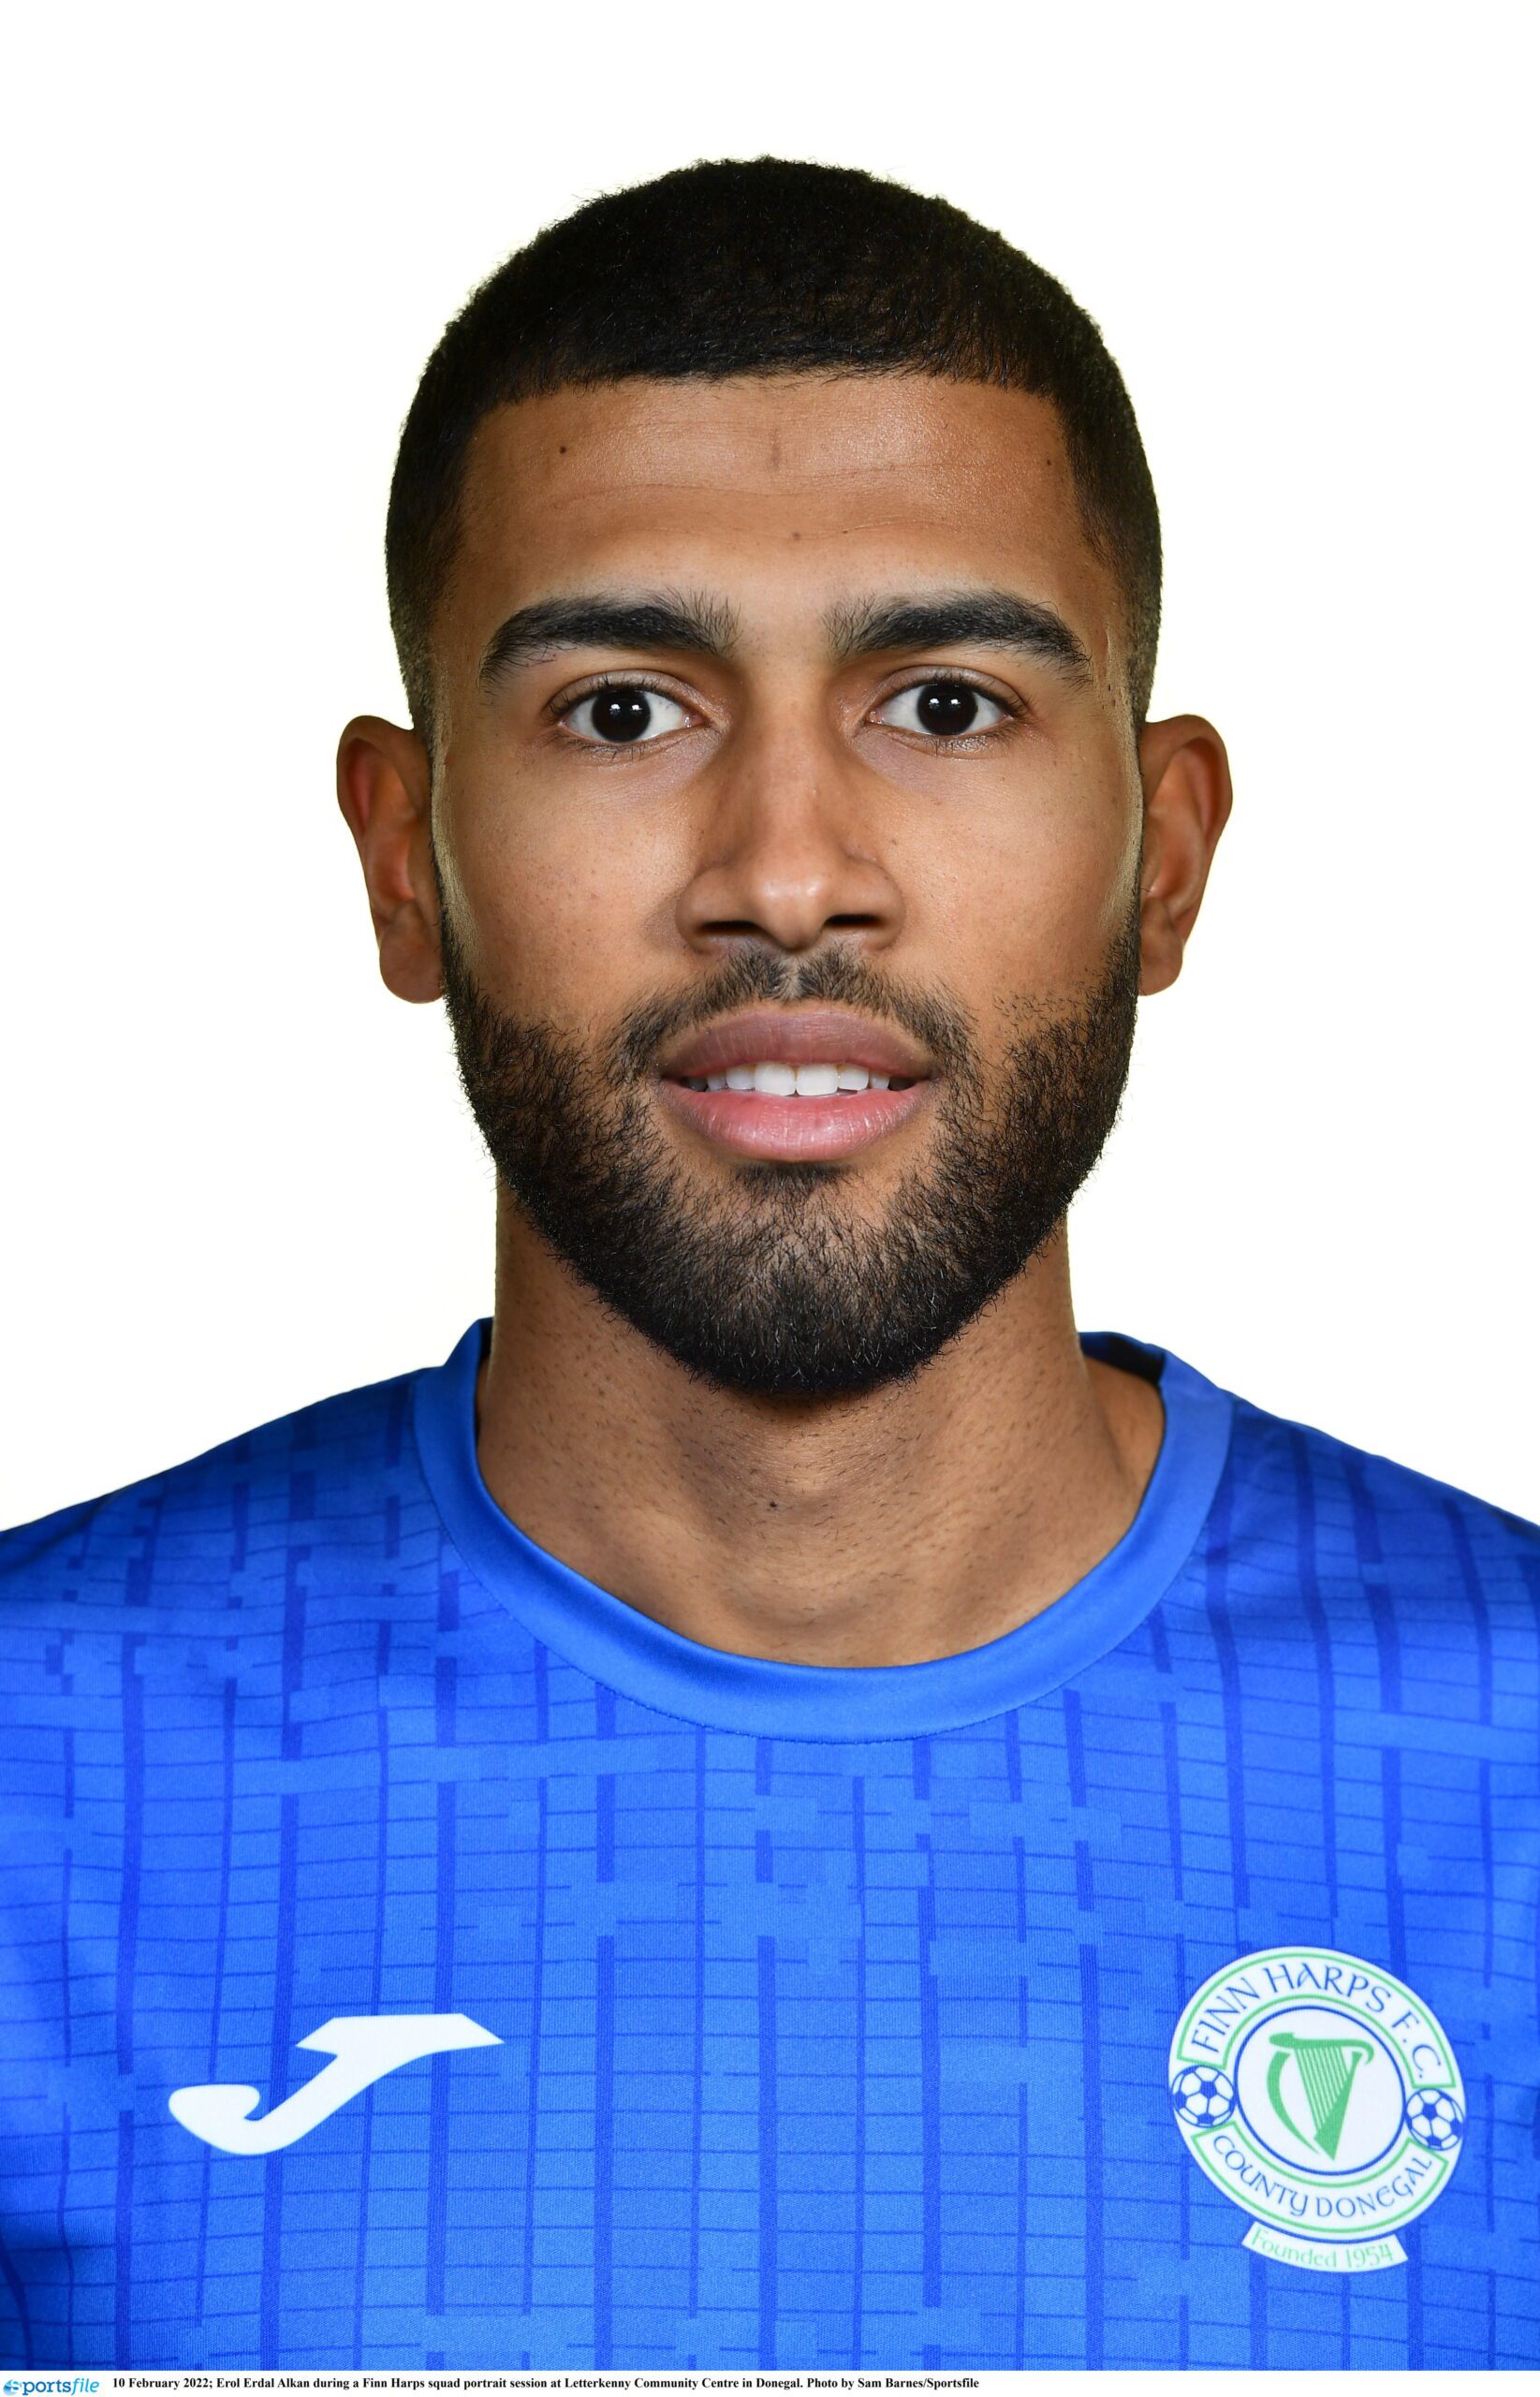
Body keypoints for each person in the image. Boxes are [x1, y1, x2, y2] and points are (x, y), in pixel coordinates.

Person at [0, 157, 1534, 2375]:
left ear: (1164, 855)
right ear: (401, 858)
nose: (790, 876)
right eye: (626, 708)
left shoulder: (1512, 1769)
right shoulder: (38, 1777)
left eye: (946, 705)